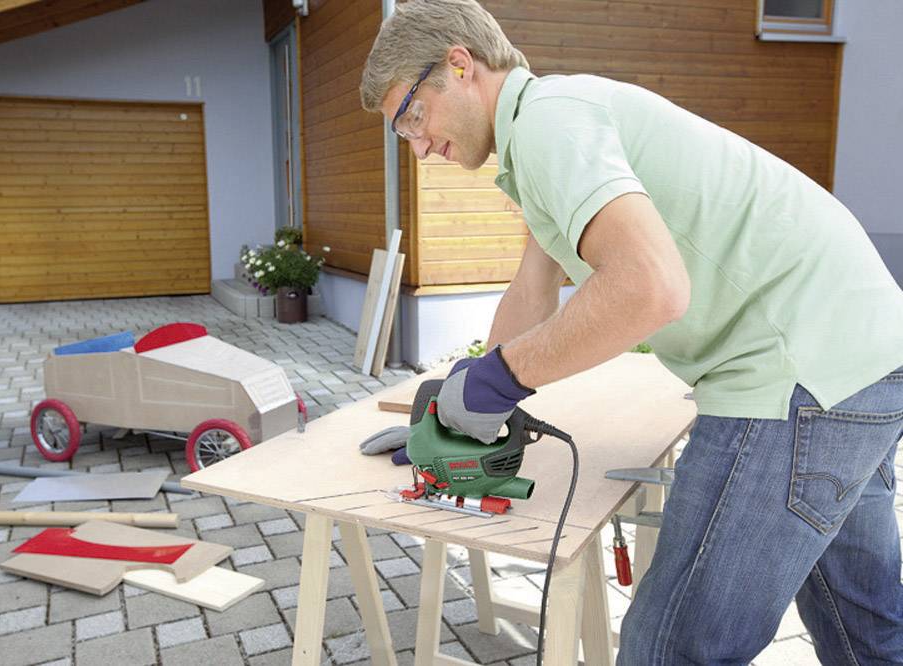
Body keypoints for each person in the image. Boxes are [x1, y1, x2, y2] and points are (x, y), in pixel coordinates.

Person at [359, 1, 903, 663]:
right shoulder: (553, 122)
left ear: (461, 65)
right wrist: (462, 397)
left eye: (413, 116)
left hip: (793, 370)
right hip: (860, 353)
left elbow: (650, 287)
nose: (417, 146)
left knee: (669, 647)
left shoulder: (550, 128)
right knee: (863, 632)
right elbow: (534, 289)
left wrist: (498, 383)